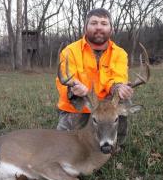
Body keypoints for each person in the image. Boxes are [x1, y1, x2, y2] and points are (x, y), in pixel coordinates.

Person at [56, 8, 132, 146]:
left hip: (106, 106)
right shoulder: (70, 51)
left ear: (111, 29)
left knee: (123, 100)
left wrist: (118, 87)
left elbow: (118, 77)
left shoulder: (120, 54)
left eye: (104, 23)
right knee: (65, 145)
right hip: (81, 103)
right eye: (94, 23)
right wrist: (73, 88)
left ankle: (116, 143)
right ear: (86, 27)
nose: (98, 27)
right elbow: (64, 80)